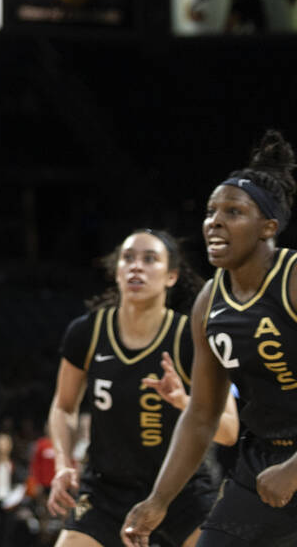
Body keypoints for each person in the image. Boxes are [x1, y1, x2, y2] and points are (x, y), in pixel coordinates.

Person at [123, 131, 297, 547]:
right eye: (210, 211)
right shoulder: (208, 302)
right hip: (262, 460)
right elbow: (201, 414)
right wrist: (158, 500)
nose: (214, 221)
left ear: (267, 228)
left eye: (234, 212)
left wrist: (294, 469)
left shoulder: (292, 280)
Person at [47, 229, 238, 547]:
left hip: (183, 491)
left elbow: (229, 431)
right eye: (128, 258)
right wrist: (64, 464)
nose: (136, 266)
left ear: (171, 276)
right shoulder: (87, 332)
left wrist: (184, 402)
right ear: (117, 271)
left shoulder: (192, 338)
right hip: (107, 490)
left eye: (150, 259)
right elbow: (64, 406)